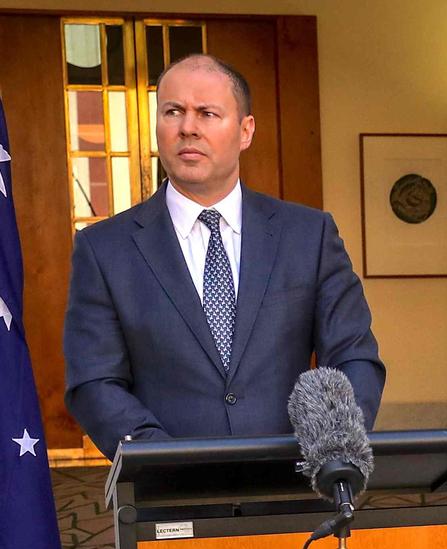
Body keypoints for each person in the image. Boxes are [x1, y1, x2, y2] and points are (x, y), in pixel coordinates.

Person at [64, 54, 384, 456]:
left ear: (245, 130)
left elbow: (354, 356)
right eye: (173, 111)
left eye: (207, 113)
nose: (187, 128)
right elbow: (94, 382)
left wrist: (331, 447)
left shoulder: (309, 235)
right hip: (169, 495)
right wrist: (166, 464)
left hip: (293, 486)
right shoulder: (104, 249)